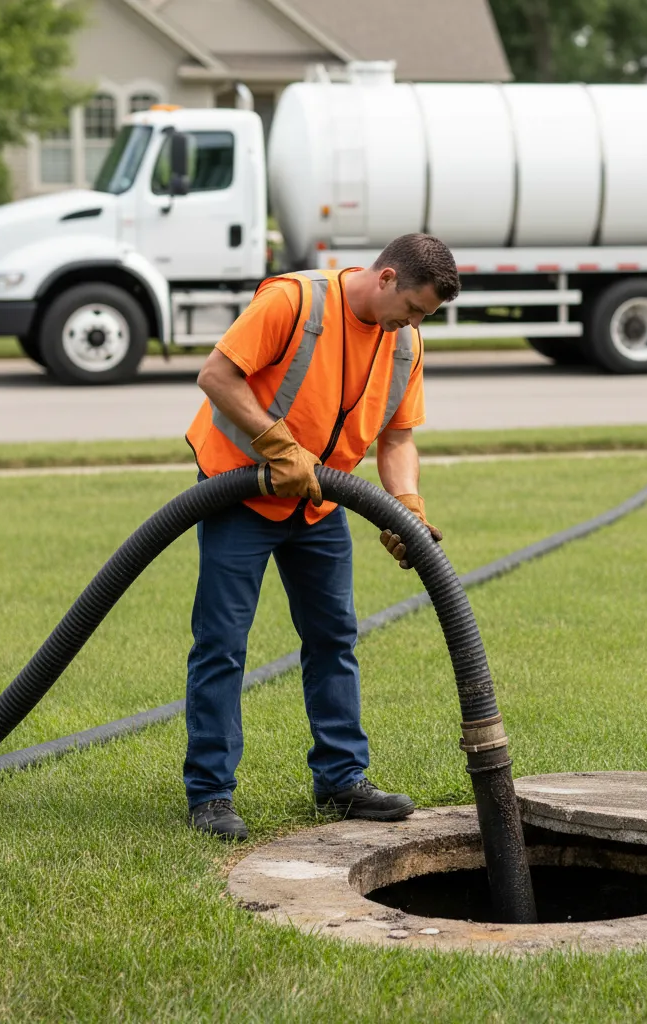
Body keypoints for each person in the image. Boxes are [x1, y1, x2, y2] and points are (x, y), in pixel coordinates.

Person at [182, 233, 460, 840]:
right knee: (222, 644)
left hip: (318, 503)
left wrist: (406, 507)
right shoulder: (295, 302)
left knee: (334, 636)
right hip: (238, 492)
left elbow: (397, 437)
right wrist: (278, 445)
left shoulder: (404, 343)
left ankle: (341, 779)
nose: (414, 324)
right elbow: (217, 376)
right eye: (413, 308)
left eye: (424, 317)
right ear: (386, 278)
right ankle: (210, 794)